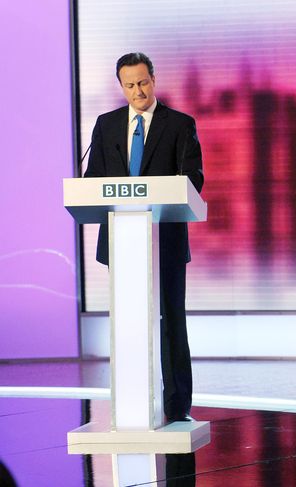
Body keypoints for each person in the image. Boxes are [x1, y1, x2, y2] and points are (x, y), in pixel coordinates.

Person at [84, 52, 204, 423]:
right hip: (123, 242)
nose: (138, 90)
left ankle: (177, 405)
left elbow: (194, 179)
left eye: (143, 82)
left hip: (163, 241)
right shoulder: (106, 125)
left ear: (154, 78)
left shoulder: (180, 124)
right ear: (121, 86)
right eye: (130, 85)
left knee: (171, 320)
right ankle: (130, 405)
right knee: (127, 322)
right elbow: (93, 181)